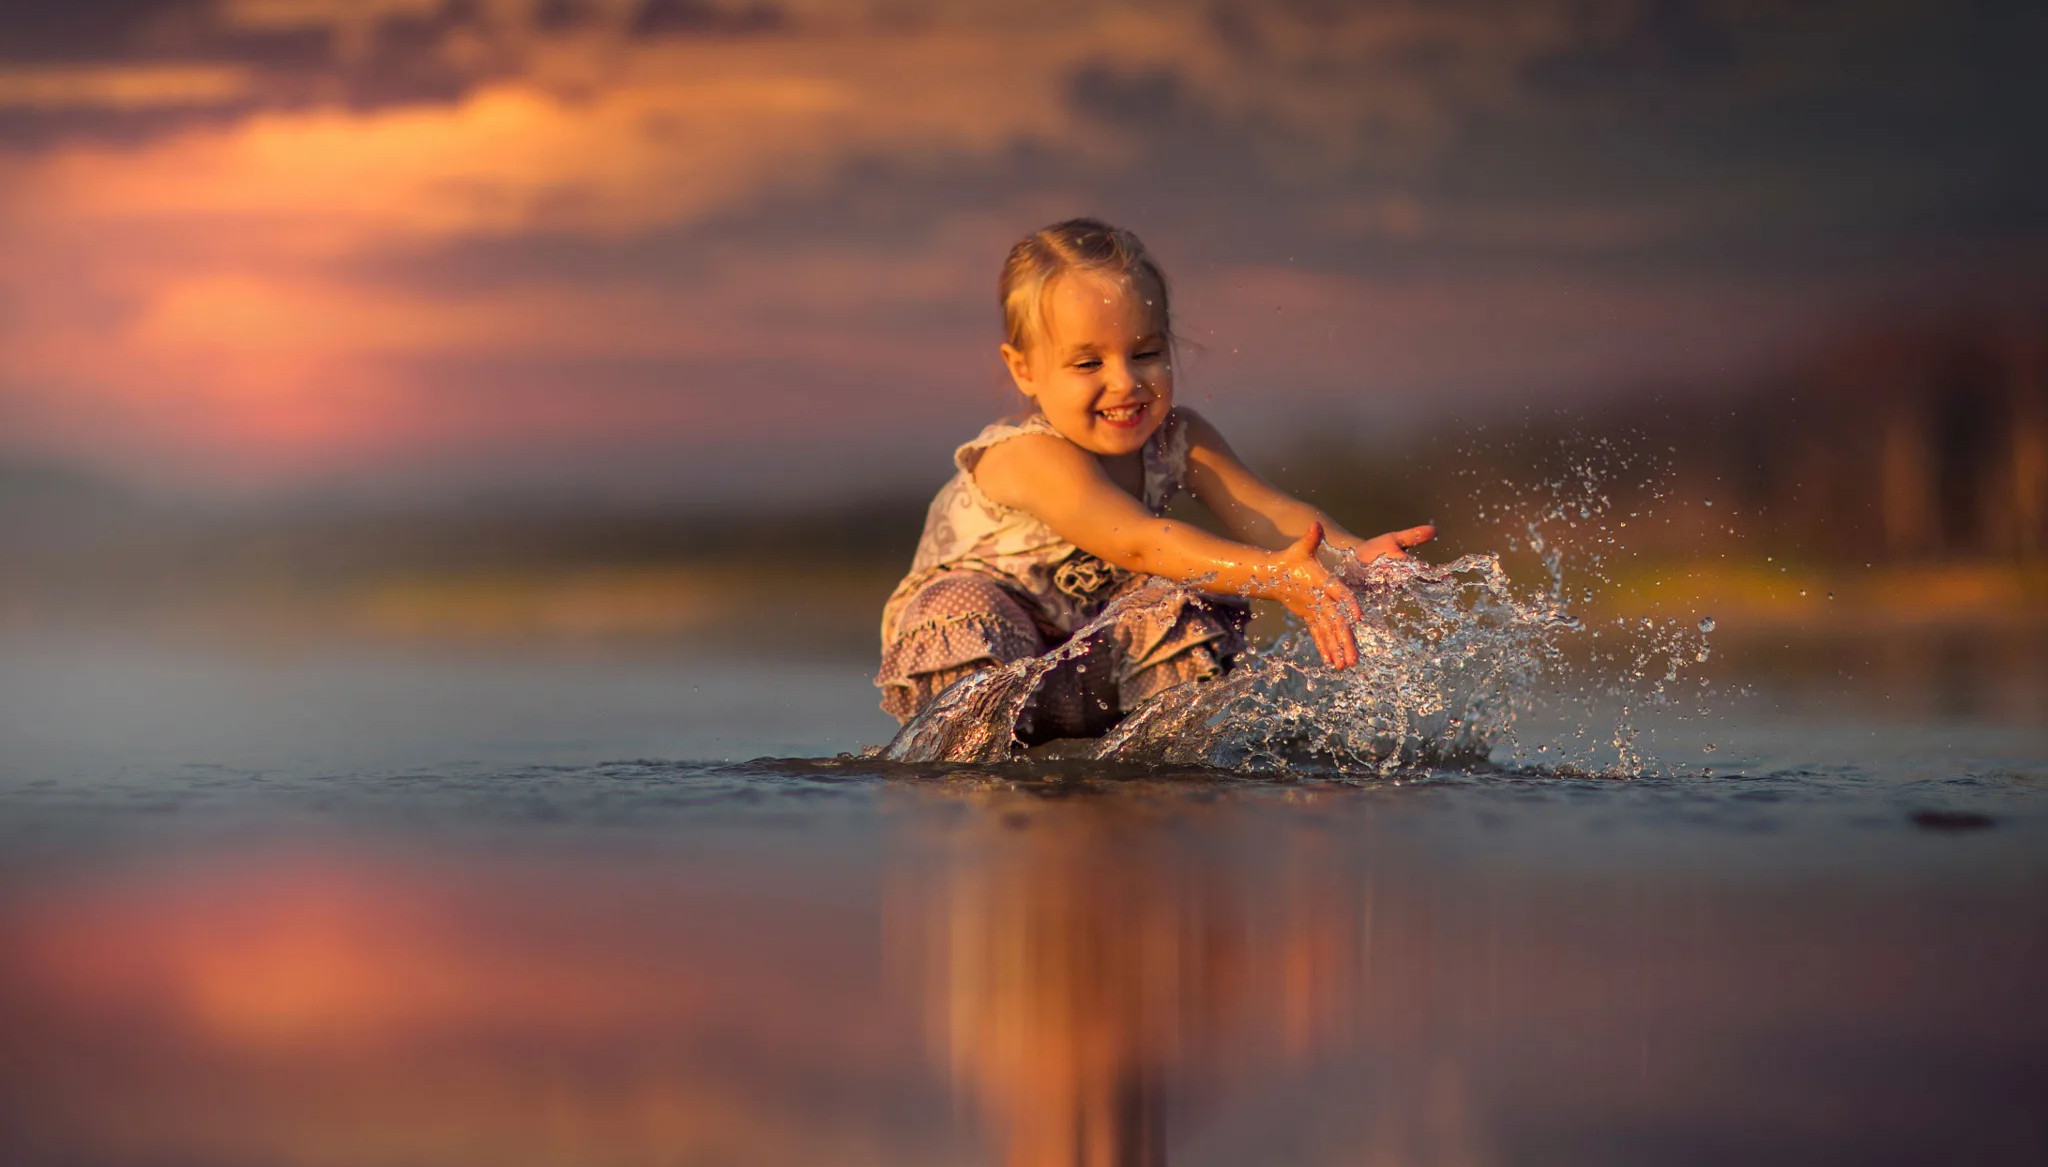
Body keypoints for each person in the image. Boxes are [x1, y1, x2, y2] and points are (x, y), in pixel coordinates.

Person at [876, 218, 1434, 743]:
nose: (1125, 383)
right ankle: (964, 770)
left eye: (1145, 353)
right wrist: (1274, 577)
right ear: (1024, 369)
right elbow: (1139, 541)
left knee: (1171, 602)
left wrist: (1352, 558)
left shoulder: (1179, 437)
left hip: (1094, 656)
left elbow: (1269, 515)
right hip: (991, 653)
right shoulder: (1028, 455)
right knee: (961, 602)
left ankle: (1163, 774)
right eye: (1088, 364)